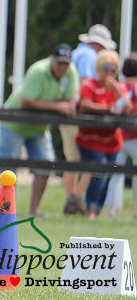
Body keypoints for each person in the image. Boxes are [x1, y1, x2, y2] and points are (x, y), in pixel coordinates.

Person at [0, 43, 79, 216]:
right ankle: (8, 210)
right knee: (9, 170)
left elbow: (70, 101)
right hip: (14, 124)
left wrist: (64, 106)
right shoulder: (38, 71)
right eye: (59, 63)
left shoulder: (71, 74)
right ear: (51, 60)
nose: (63, 67)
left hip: (39, 129)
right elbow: (26, 101)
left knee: (45, 165)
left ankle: (34, 210)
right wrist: (57, 106)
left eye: (66, 63)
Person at [64, 23, 118, 215]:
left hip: (67, 113)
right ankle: (76, 200)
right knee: (92, 160)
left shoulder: (77, 53)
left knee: (72, 161)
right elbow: (87, 87)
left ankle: (70, 200)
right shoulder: (88, 56)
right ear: (98, 45)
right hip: (80, 117)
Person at [73, 49, 131, 219]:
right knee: (99, 170)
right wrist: (108, 109)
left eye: (114, 68)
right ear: (98, 68)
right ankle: (89, 210)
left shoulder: (118, 86)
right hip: (89, 140)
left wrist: (117, 91)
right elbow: (85, 104)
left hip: (111, 142)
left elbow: (127, 108)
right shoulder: (89, 84)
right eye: (106, 68)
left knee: (108, 175)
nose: (110, 72)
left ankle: (96, 212)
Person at [104, 53, 137, 218]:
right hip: (134, 136)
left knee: (116, 172)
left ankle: (109, 209)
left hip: (118, 134)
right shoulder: (136, 85)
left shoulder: (120, 85)